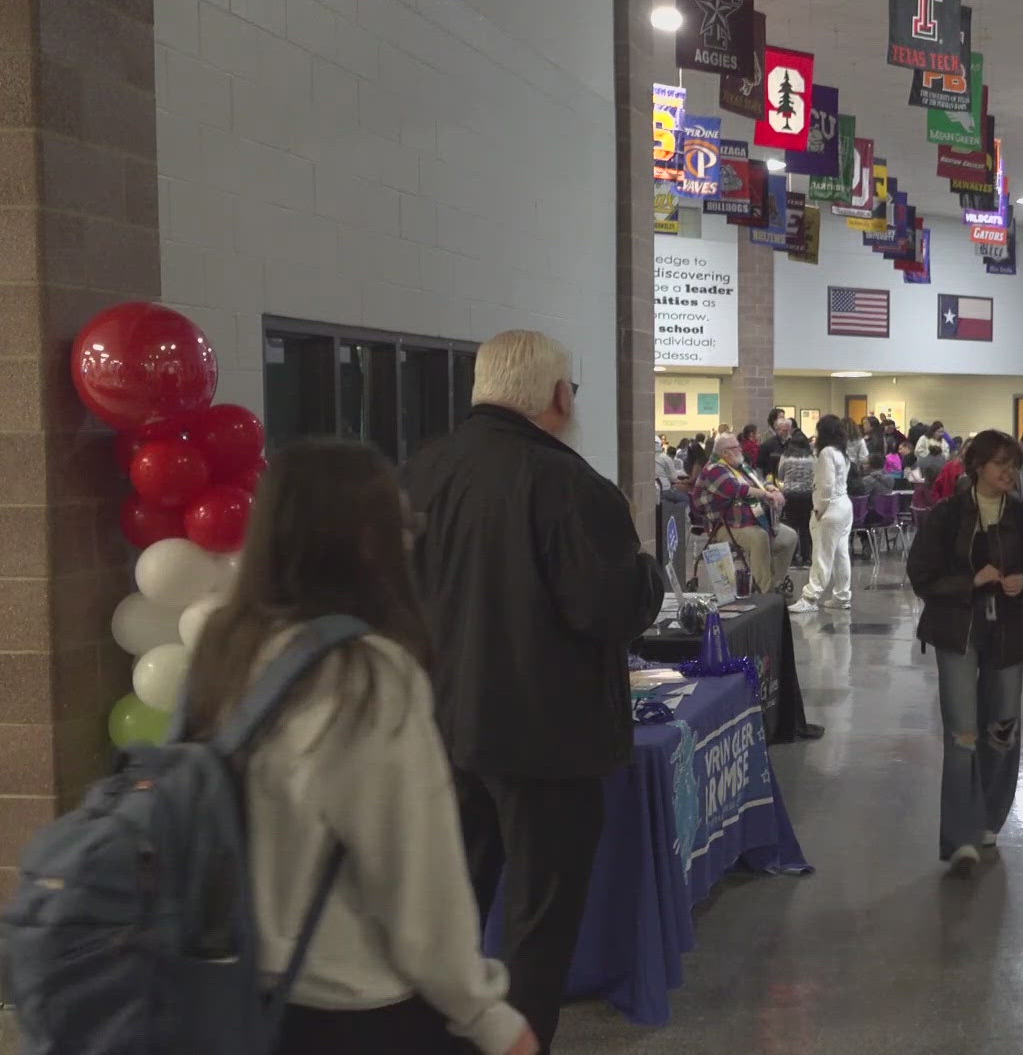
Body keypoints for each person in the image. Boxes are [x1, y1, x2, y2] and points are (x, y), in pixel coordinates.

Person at [181, 440, 538, 1055]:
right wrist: (488, 1017)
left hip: (225, 990)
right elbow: (418, 881)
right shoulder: (368, 674)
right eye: (402, 526)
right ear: (368, 542)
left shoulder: (223, 643)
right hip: (349, 1009)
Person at [401, 330, 666, 1052]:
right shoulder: (571, 485)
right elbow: (608, 609)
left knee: (448, 904)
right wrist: (650, 574)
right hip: (544, 738)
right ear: (556, 396)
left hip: (438, 726)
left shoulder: (417, 473)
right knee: (536, 922)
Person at [907, 430, 1023, 876]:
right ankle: (959, 837)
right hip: (958, 632)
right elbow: (921, 574)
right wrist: (968, 581)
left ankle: (990, 818)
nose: (1008, 472)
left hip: (1008, 634)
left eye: (1013, 464)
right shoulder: (947, 516)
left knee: (1002, 729)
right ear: (977, 468)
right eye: (999, 464)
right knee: (962, 735)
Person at [695, 432, 799, 594]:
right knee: (759, 538)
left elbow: (759, 481)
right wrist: (764, 494)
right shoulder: (714, 470)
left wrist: (770, 488)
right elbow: (736, 489)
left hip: (752, 519)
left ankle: (776, 582)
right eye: (736, 447)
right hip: (725, 524)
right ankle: (764, 590)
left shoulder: (741, 467)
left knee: (790, 537)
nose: (740, 450)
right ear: (724, 453)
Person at [792, 415, 853, 613]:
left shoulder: (826, 452)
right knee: (840, 554)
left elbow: (826, 485)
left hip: (830, 507)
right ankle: (842, 596)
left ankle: (810, 597)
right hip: (844, 506)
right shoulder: (842, 453)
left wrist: (819, 508)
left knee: (821, 554)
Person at [778, 436, 815, 569]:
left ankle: (792, 559)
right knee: (805, 527)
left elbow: (780, 475)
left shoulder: (785, 457)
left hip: (790, 494)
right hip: (807, 494)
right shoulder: (811, 459)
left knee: (792, 526)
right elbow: (815, 475)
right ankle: (807, 558)